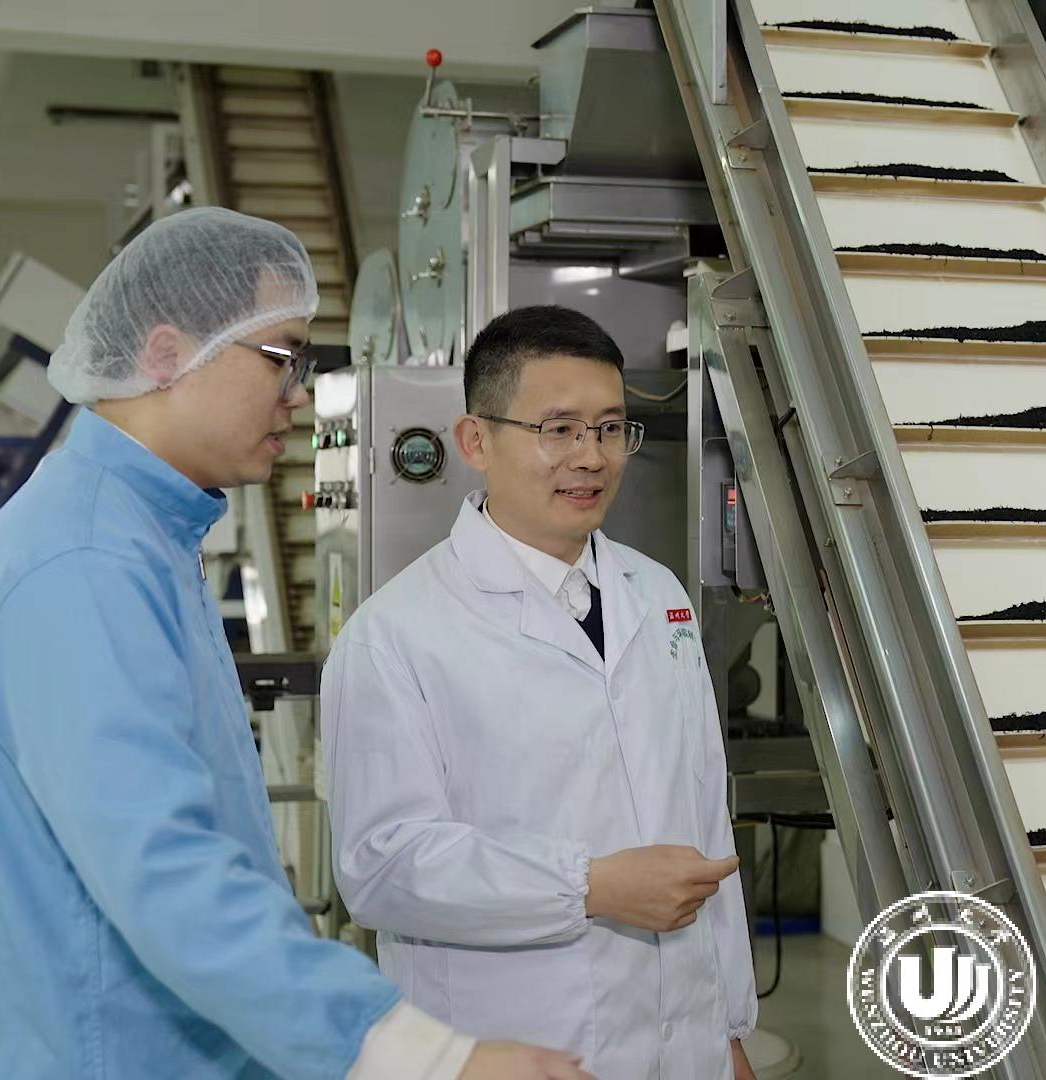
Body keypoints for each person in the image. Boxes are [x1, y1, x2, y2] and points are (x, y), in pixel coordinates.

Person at [0, 208, 591, 1080]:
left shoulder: (144, 534)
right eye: (282, 357)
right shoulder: (85, 561)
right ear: (166, 354)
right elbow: (161, 866)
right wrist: (417, 1055)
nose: (300, 393)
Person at [321, 305, 759, 1080]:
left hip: (684, 1051)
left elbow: (702, 820)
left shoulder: (659, 596)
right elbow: (384, 868)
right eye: (558, 430)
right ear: (475, 441)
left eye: (610, 428)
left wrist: (728, 1033)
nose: (591, 457)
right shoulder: (394, 637)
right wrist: (589, 886)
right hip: (513, 1049)